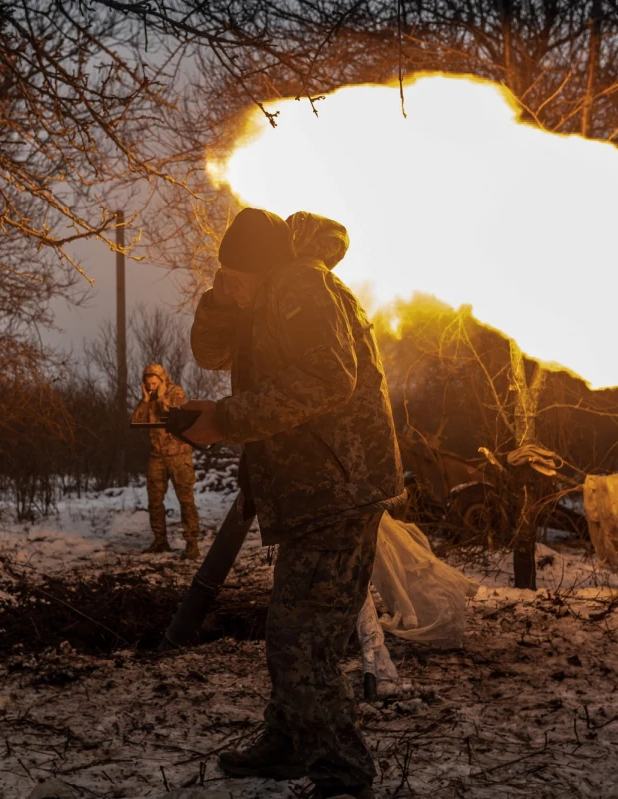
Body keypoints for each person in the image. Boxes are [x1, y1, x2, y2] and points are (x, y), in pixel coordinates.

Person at [182, 208, 405, 799]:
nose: (226, 283)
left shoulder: (299, 282)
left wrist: (227, 418)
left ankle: (343, 772)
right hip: (315, 489)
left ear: (263, 267)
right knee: (295, 627)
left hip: (339, 485)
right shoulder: (264, 294)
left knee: (300, 638)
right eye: (222, 274)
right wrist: (223, 297)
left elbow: (330, 377)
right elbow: (210, 355)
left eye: (235, 275)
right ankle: (289, 741)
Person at [131, 364, 201, 558]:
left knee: (186, 500)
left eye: (154, 382)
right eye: (148, 383)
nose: (151, 386)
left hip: (179, 456)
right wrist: (146, 400)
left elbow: (176, 416)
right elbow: (136, 422)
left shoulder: (176, 392)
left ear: (162, 380)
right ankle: (160, 540)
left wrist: (161, 397)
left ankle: (192, 544)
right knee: (154, 500)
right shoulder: (149, 398)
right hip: (157, 457)